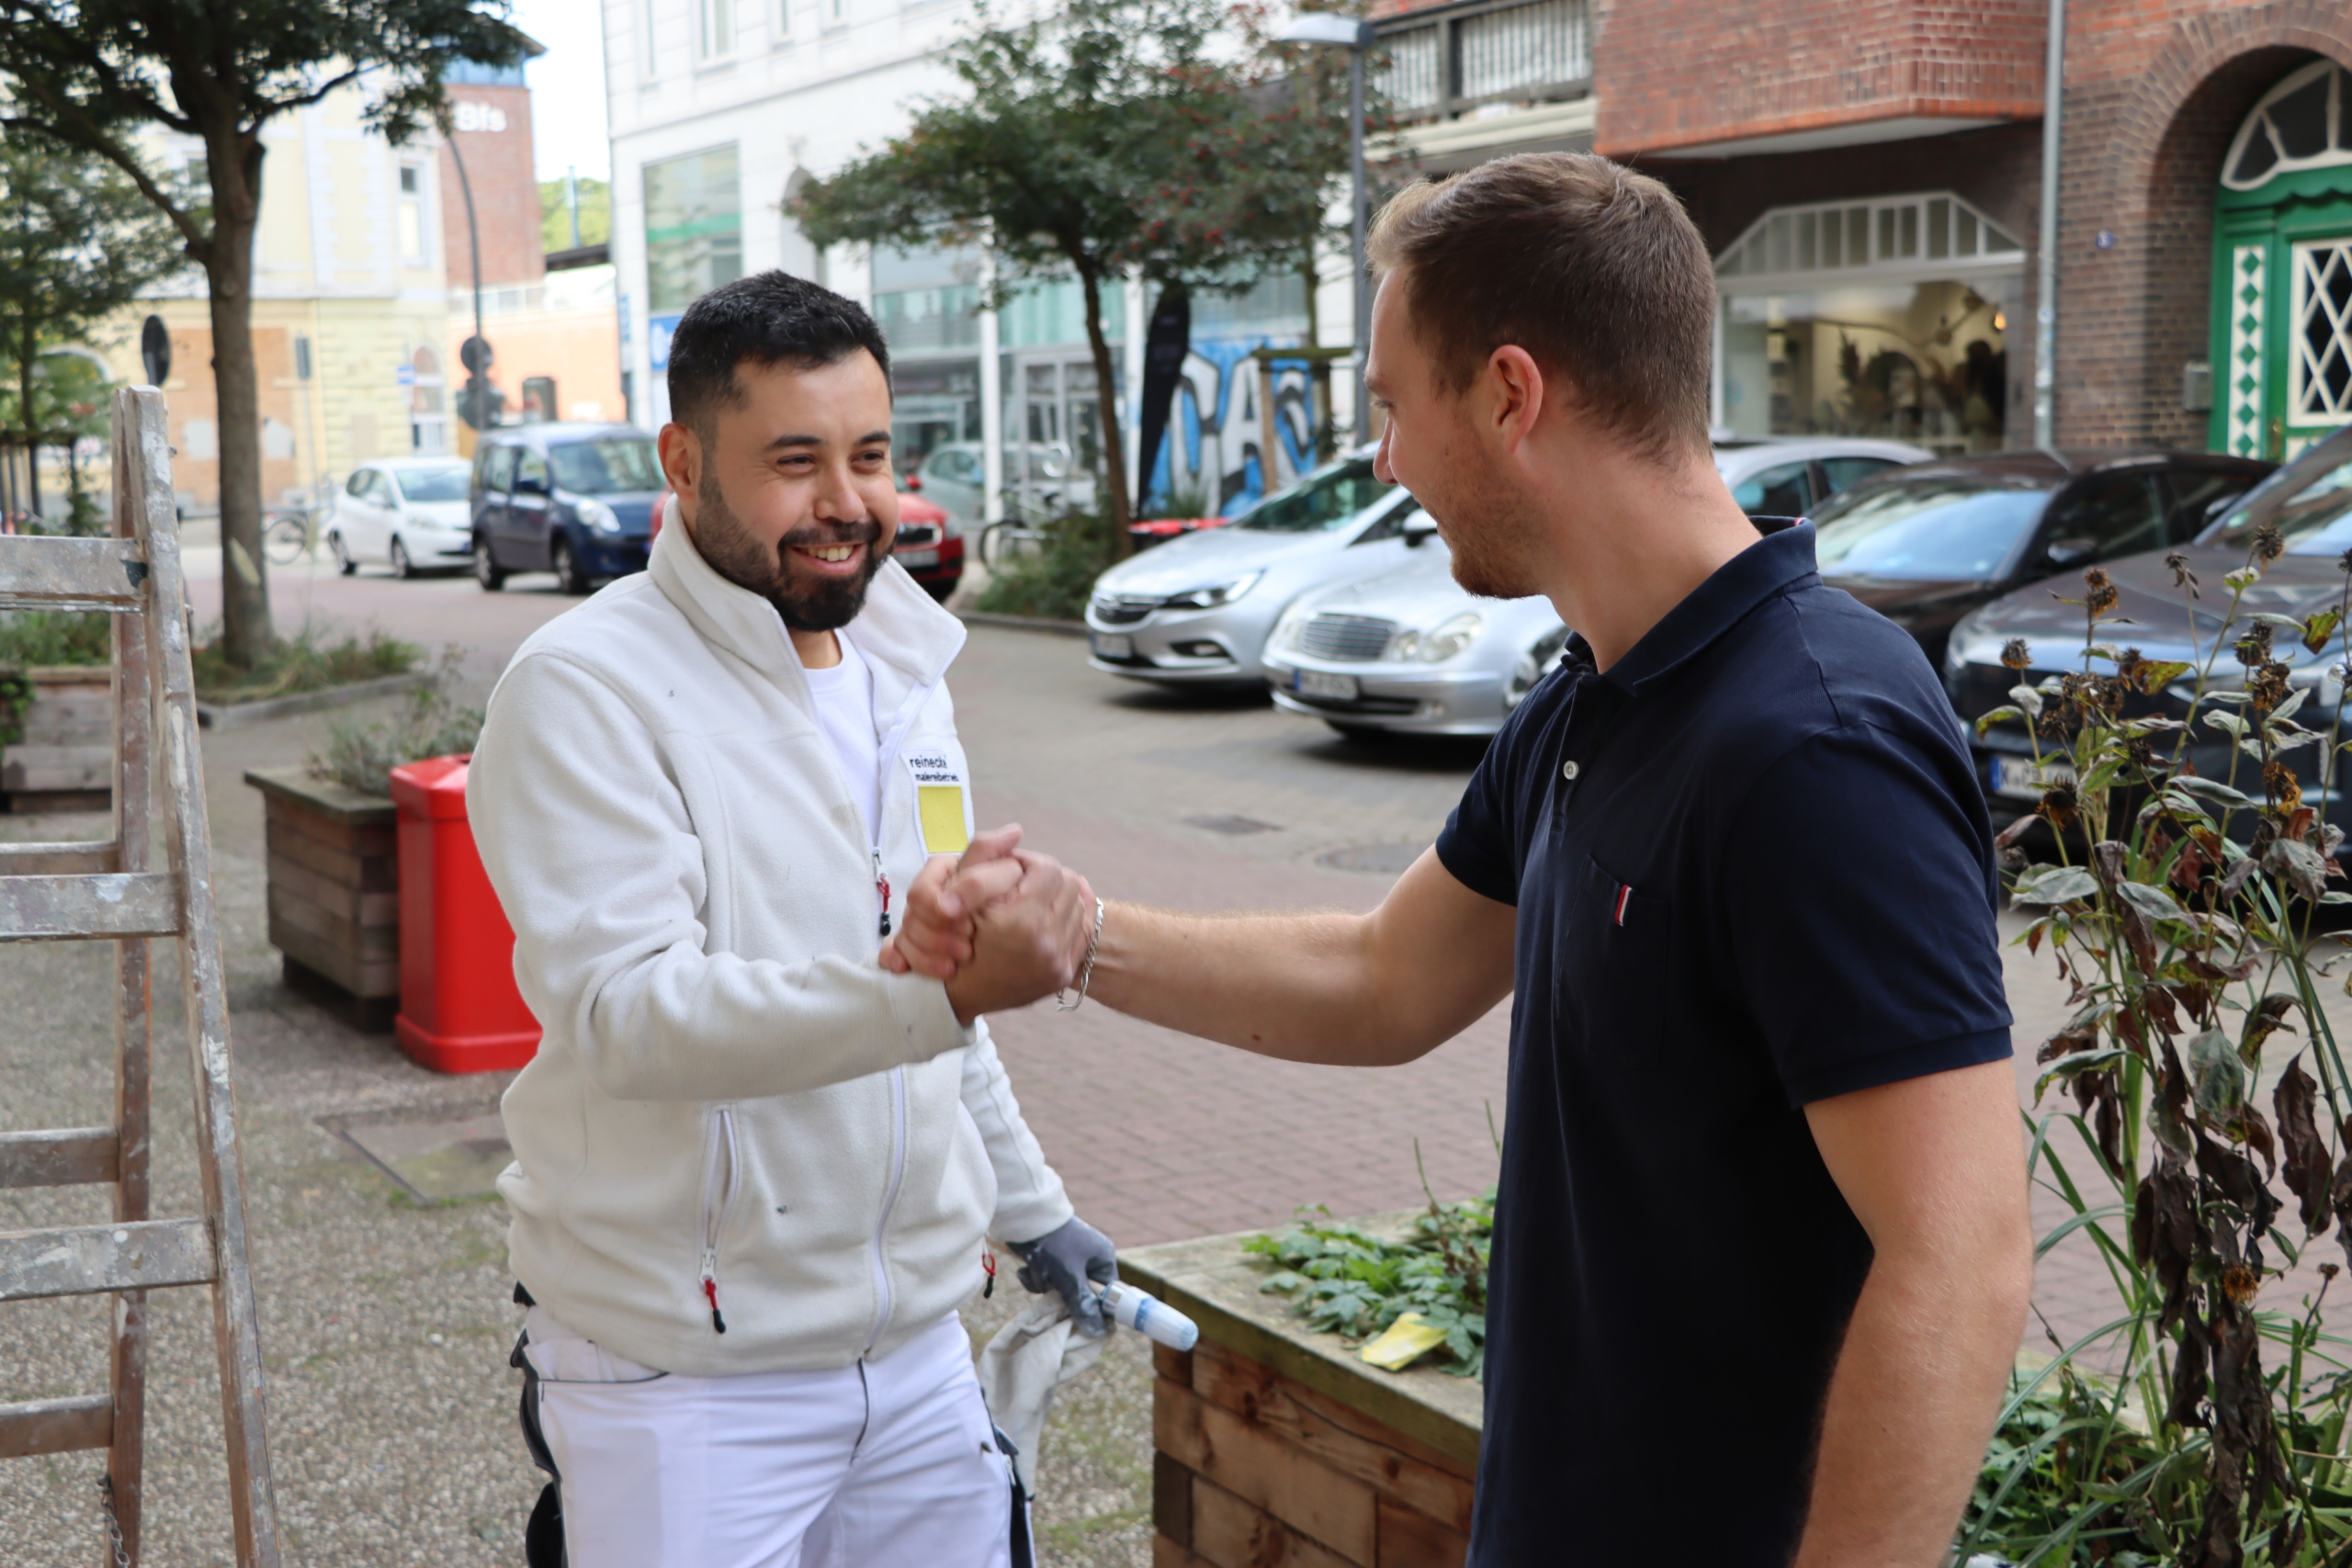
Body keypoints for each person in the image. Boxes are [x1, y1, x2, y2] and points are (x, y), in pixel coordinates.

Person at [888, 153, 2035, 1565]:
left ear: (1508, 394)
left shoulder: (1813, 744)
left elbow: (1960, 1259)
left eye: (1390, 406)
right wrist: (1073, 935)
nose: (1384, 463)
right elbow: (1383, 978)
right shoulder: (1593, 698)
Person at [467, 270, 1113, 1568]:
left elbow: (938, 993)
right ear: (685, 459)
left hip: (918, 1352)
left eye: (870, 456)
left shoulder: (901, 673)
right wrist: (929, 995)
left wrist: (1030, 1208)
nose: (849, 503)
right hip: (683, 1371)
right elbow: (630, 1018)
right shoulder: (587, 689)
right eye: (795, 461)